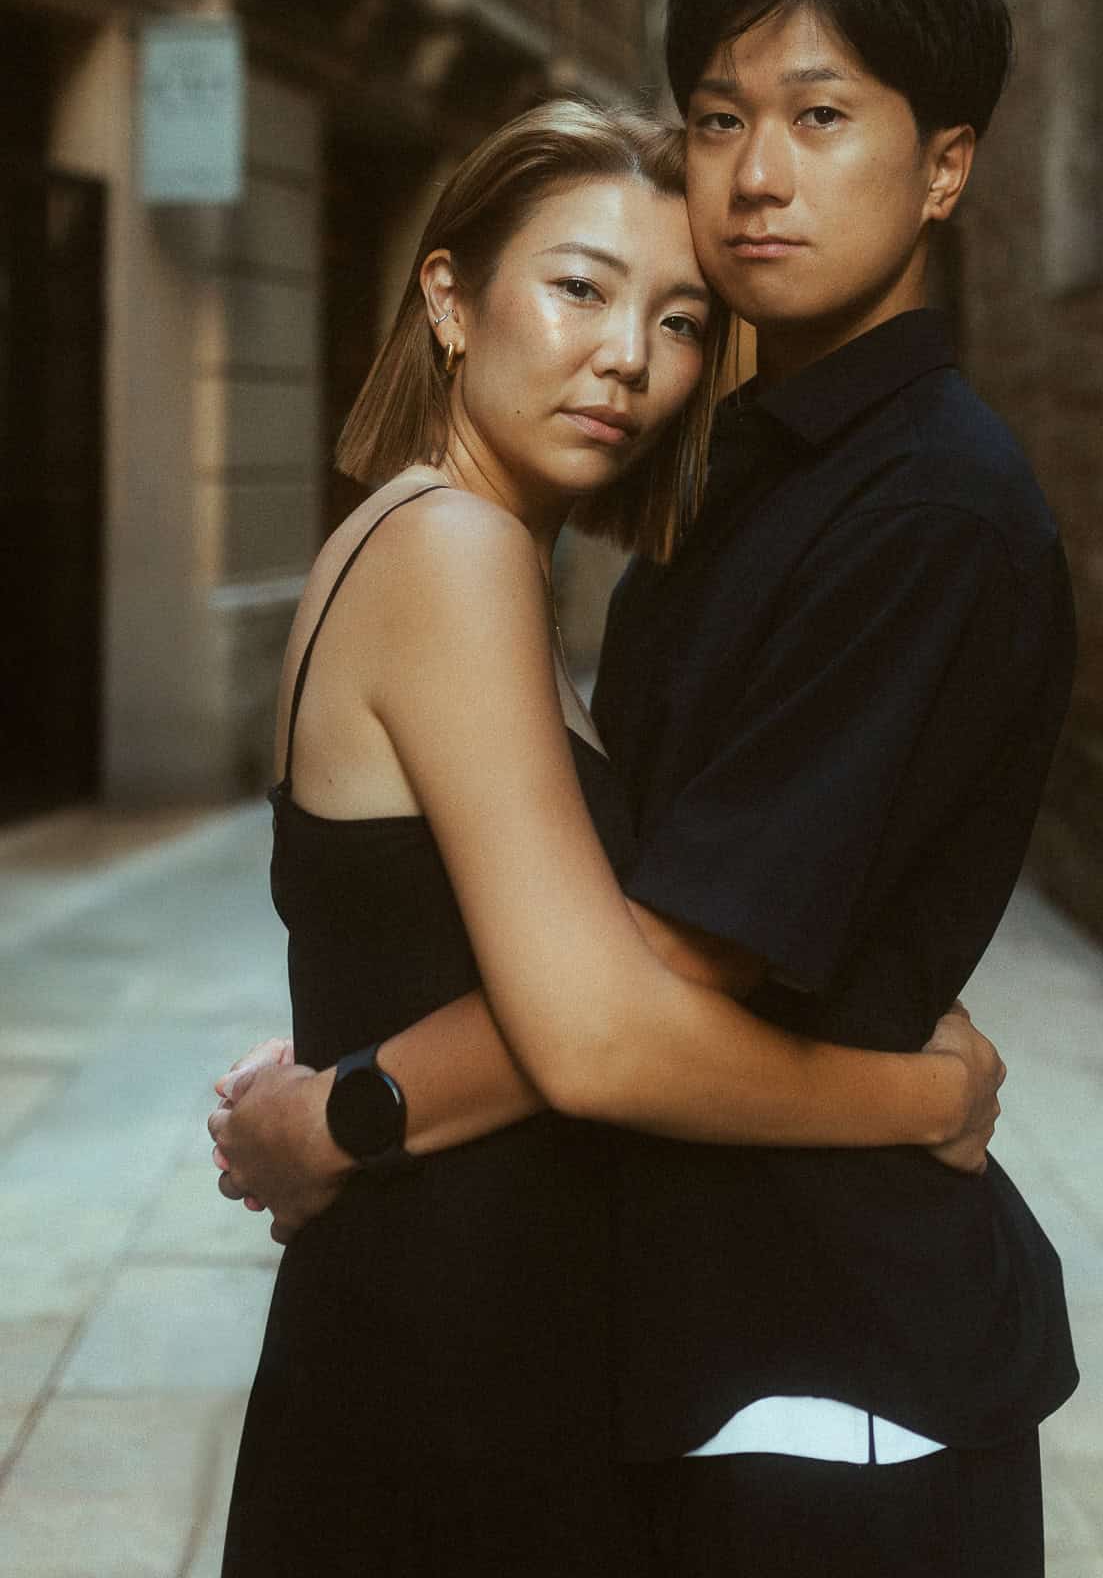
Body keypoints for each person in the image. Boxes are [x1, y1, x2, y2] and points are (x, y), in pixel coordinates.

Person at [212, 96, 1010, 1578]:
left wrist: (338, 1104)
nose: (631, 359)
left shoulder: (457, 550)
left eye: (682, 321)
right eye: (578, 288)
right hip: (454, 1365)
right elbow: (595, 1036)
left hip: (466, 1324)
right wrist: (922, 1098)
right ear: (448, 299)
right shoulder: (447, 551)